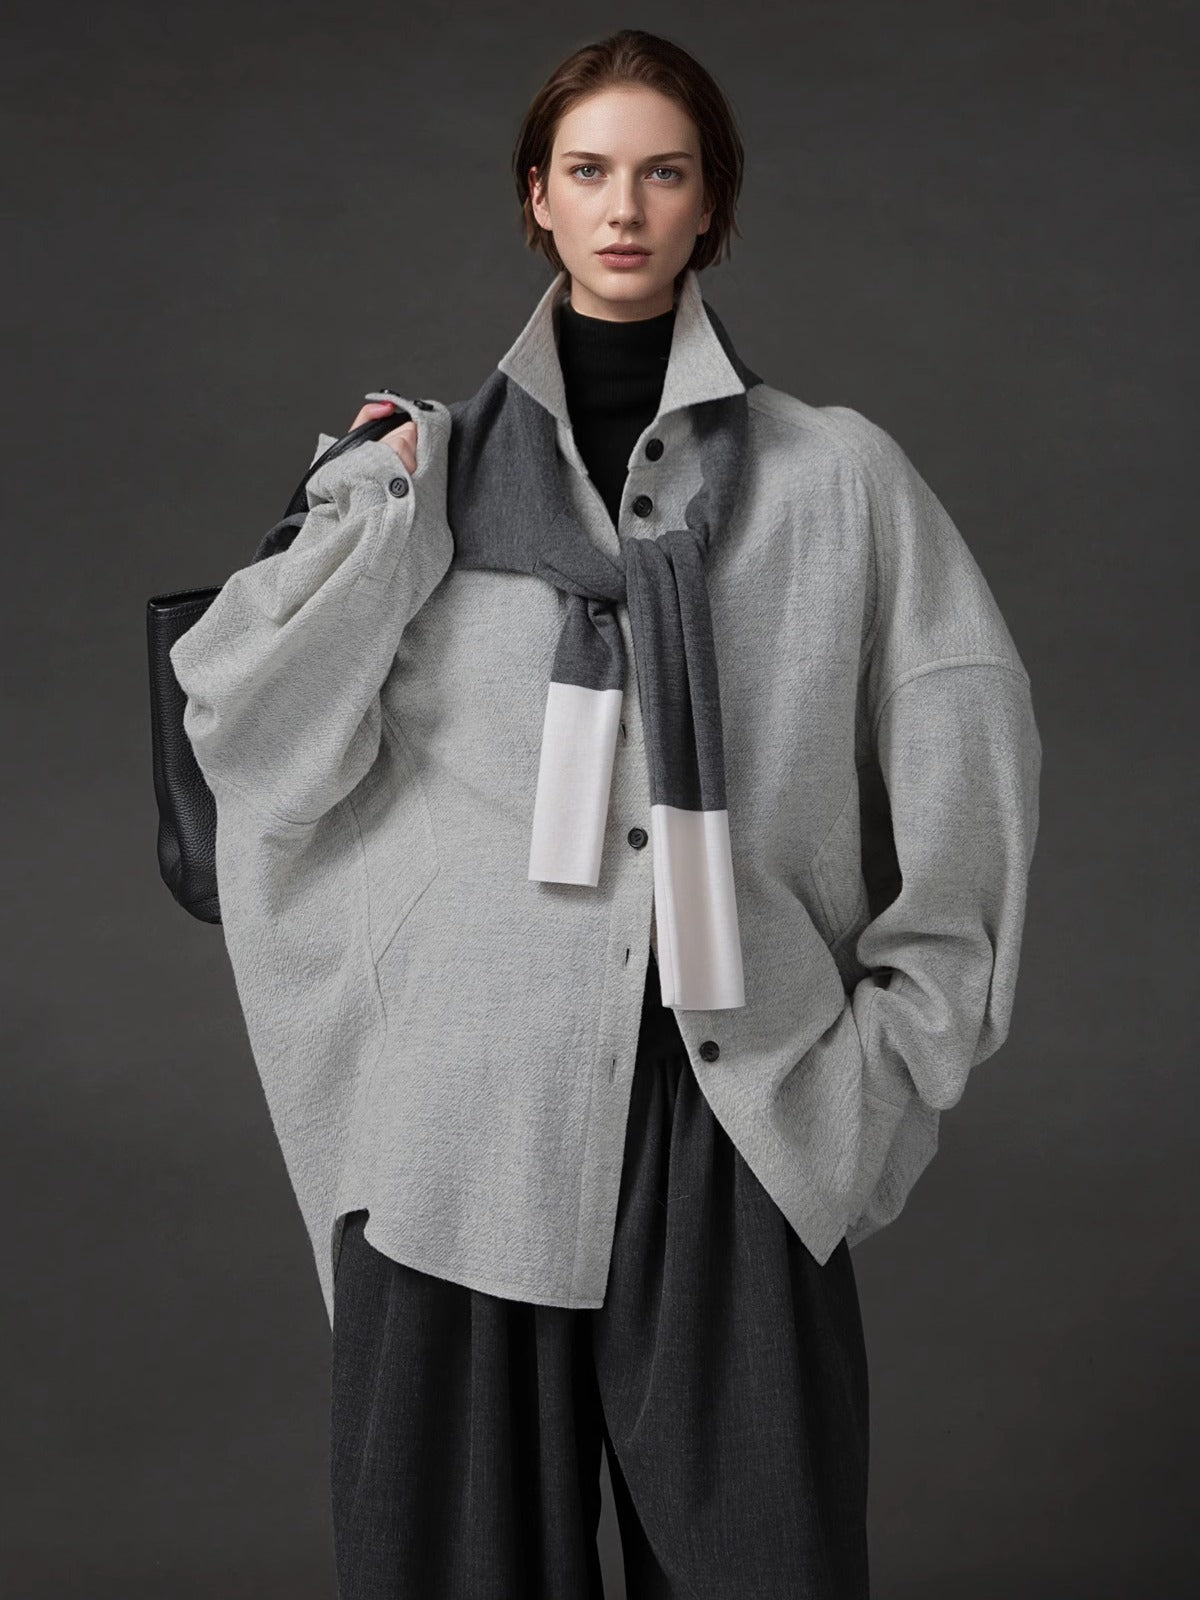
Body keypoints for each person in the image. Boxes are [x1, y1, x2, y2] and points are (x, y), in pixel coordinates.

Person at [169, 27, 1041, 1600]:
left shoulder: (837, 482)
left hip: (741, 1103)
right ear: (538, 198)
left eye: (664, 172)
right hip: (460, 1126)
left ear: (713, 203)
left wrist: (882, 1077)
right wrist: (368, 511)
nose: (625, 208)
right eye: (588, 171)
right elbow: (245, 722)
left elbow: (967, 763)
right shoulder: (428, 477)